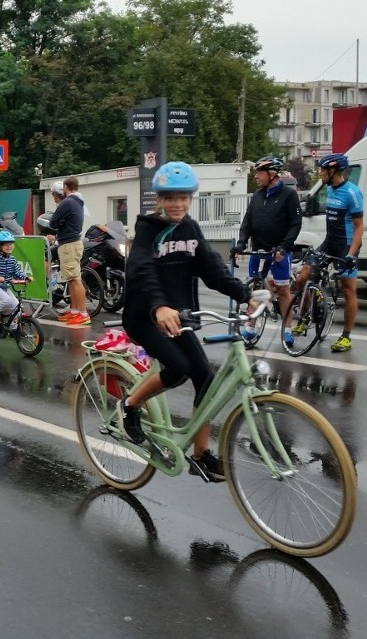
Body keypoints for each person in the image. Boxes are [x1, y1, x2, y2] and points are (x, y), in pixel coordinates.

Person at [119, 161, 268, 482]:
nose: (177, 204)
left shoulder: (191, 229)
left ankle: (201, 455)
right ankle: (130, 405)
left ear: (190, 198)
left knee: (206, 378)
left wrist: (245, 295)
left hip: (179, 317)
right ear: (159, 198)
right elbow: (141, 269)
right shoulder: (148, 228)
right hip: (144, 316)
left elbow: (212, 269)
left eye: (184, 197)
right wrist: (159, 306)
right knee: (177, 369)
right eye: (170, 197)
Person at [296, 153, 363, 353]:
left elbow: (359, 227)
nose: (320, 174)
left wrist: (351, 254)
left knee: (349, 289)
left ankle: (346, 336)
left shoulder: (352, 193)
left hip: (347, 245)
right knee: (303, 277)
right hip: (330, 242)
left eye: (323, 170)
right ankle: (306, 316)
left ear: (333, 171)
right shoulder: (330, 190)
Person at [232, 156, 302, 346]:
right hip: (258, 250)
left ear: (272, 174)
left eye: (260, 173)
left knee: (283, 290)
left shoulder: (288, 195)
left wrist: (284, 247)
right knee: (255, 289)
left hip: (279, 251)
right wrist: (241, 243)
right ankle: (250, 327)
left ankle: (287, 328)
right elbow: (247, 224)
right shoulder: (257, 196)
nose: (256, 177)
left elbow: (295, 225)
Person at [46, 176, 89, 325]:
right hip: (72, 242)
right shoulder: (77, 201)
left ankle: (83, 314)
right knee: (71, 279)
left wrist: (60, 222)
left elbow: (53, 222)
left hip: (69, 244)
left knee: (75, 280)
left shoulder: (68, 202)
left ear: (65, 187)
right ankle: (75, 311)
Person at [0, 231, 31, 332]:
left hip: (5, 287)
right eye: (6, 245)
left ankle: (14, 329)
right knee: (7, 301)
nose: (9, 247)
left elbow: (17, 271)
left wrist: (26, 277)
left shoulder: (12, 260)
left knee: (16, 306)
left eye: (10, 244)